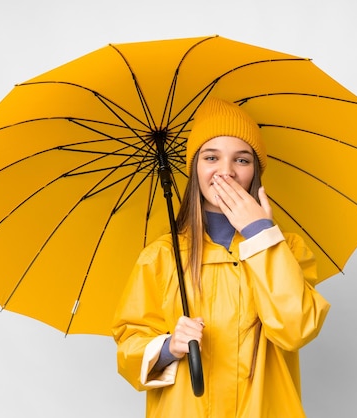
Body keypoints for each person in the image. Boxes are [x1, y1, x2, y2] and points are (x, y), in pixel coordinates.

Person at [112, 97, 330, 418]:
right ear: (194, 168)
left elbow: (296, 329)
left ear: (255, 171)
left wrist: (260, 233)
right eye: (211, 157)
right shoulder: (162, 257)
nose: (225, 171)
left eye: (241, 160)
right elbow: (128, 346)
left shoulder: (287, 248)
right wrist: (169, 346)